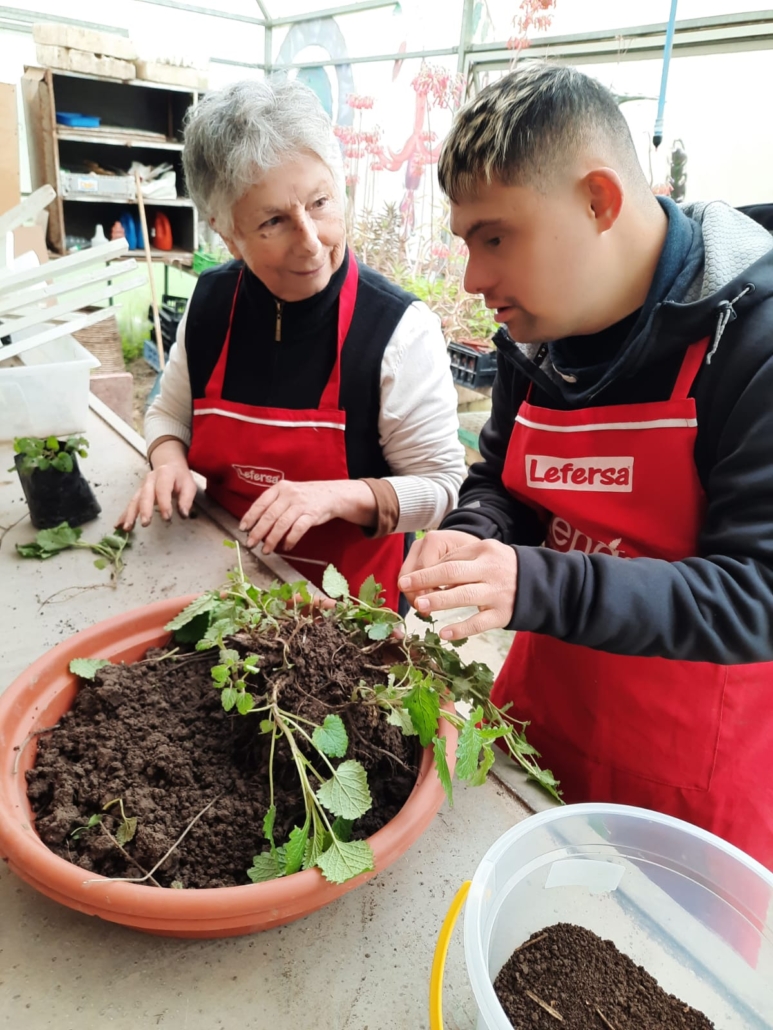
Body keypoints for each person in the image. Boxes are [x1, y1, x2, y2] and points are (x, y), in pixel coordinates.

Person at [397, 62, 773, 869]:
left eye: (494, 238)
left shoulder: (753, 344)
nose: (473, 279)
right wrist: (474, 531)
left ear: (598, 201)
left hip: (687, 780)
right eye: (466, 244)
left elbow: (757, 592)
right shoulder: (537, 338)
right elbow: (502, 483)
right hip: (536, 722)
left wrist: (533, 584)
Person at [118, 78, 465, 609]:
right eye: (273, 221)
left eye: (320, 202)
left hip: (348, 617)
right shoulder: (211, 303)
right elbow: (168, 413)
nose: (311, 242)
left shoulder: (398, 330)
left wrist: (337, 495)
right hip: (226, 591)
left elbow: (442, 487)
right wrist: (168, 461)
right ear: (228, 234)